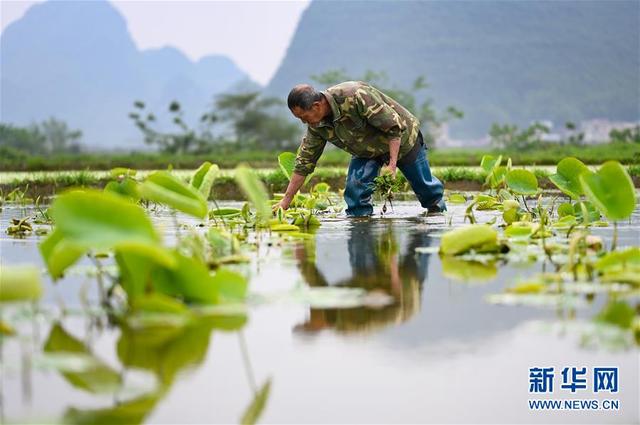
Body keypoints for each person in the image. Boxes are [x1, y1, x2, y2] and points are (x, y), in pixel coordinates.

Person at [275, 81, 446, 217]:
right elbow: (305, 161)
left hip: (402, 141)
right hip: (365, 151)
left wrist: (392, 164)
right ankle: (362, 236)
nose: (304, 122)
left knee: (427, 191)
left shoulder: (356, 96)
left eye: (304, 117)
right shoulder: (316, 125)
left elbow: (394, 128)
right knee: (355, 194)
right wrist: (286, 200)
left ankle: (437, 217)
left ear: (317, 106)